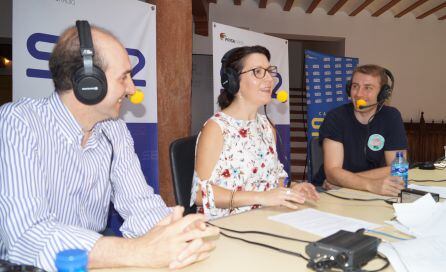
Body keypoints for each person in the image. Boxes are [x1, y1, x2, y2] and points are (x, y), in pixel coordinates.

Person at [0, 22, 218, 271]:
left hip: (99, 255)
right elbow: (27, 236)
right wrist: (139, 251)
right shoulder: (17, 123)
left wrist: (174, 229)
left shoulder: (114, 129)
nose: (132, 89)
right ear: (88, 82)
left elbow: (138, 202)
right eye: (124, 77)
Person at [190, 46, 319, 220]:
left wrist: (291, 189)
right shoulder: (216, 128)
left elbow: (271, 179)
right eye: (258, 72)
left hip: (264, 219)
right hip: (227, 226)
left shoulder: (268, 125)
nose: (269, 79)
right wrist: (261, 198)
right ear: (233, 80)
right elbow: (200, 194)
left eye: (269, 71)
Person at [317, 64, 408, 196]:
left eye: (368, 88)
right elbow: (332, 173)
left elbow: (397, 168)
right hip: (331, 191)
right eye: (355, 86)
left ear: (383, 93)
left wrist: (344, 181)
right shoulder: (335, 117)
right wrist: (370, 184)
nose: (359, 94)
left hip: (372, 189)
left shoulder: (391, 117)